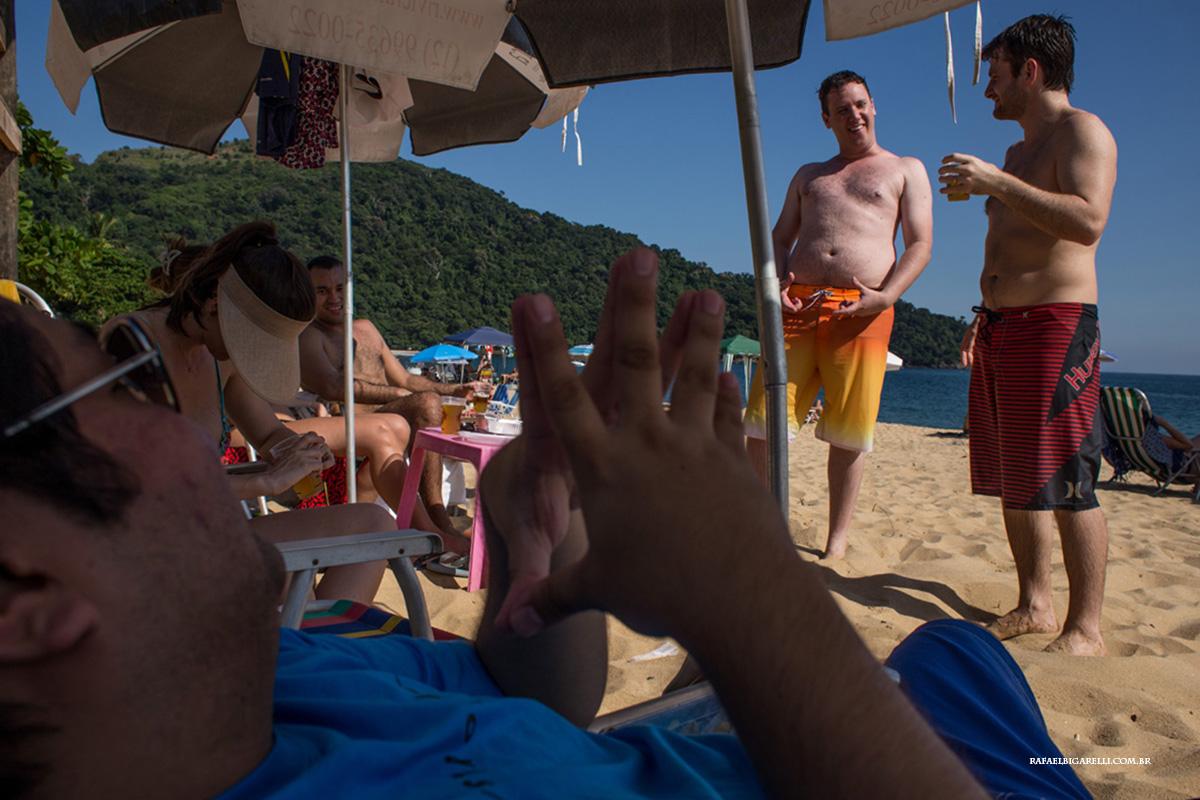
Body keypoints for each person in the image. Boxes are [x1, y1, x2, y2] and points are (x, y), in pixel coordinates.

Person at [1, 249, 1099, 799]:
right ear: (29, 593)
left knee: (954, 653)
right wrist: (747, 589)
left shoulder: (280, 669)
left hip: (742, 736)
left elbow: (537, 702)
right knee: (968, 676)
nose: (198, 414)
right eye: (126, 382)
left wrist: (539, 548)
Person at [105, 221, 404, 603]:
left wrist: (298, 448)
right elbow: (137, 487)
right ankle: (310, 650)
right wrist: (262, 484)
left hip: (212, 525)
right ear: (215, 304)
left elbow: (266, 436)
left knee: (375, 525)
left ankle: (318, 651)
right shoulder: (133, 342)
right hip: (146, 540)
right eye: (250, 343)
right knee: (278, 575)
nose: (245, 355)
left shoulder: (218, 358)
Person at [941, 14, 1118, 656]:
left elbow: (1088, 221)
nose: (988, 88)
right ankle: (1035, 603)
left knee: (1069, 480)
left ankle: (1086, 628)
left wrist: (997, 183)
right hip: (1001, 325)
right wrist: (981, 312)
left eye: (995, 74)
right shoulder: (1017, 153)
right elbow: (1010, 243)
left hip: (1057, 325)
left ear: (1030, 71)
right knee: (1018, 477)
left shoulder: (1082, 132)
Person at [744, 70, 933, 559]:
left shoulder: (904, 169)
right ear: (826, 118)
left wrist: (888, 296)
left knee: (849, 431)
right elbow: (780, 237)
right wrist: (773, 284)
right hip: (796, 305)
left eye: (861, 104)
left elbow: (920, 244)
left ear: (874, 106)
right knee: (763, 421)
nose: (855, 115)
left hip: (863, 310)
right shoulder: (810, 174)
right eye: (843, 109)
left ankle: (836, 542)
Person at [298, 256, 487, 552]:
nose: (334, 297)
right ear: (307, 294)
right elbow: (332, 387)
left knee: (429, 402)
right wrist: (398, 396)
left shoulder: (367, 330)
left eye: (339, 287)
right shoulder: (309, 336)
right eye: (322, 291)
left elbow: (406, 380)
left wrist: (455, 389)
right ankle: (437, 521)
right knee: (425, 405)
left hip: (392, 420)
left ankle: (439, 522)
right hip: (350, 433)